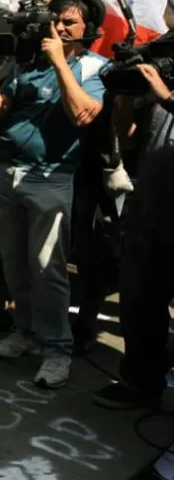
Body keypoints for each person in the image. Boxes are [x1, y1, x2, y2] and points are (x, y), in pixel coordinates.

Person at [0, 0, 109, 389]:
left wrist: (58, 61)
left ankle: (57, 350)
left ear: (87, 29)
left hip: (50, 179)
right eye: (58, 20)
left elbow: (83, 114)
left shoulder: (94, 67)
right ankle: (25, 331)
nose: (61, 27)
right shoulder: (26, 67)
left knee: (48, 269)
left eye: (71, 23)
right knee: (15, 263)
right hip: (7, 176)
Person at [92, 61, 174, 409]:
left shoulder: (164, 90)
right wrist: (123, 101)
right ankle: (140, 383)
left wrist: (167, 97)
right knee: (141, 307)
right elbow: (128, 140)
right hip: (150, 215)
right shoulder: (163, 80)